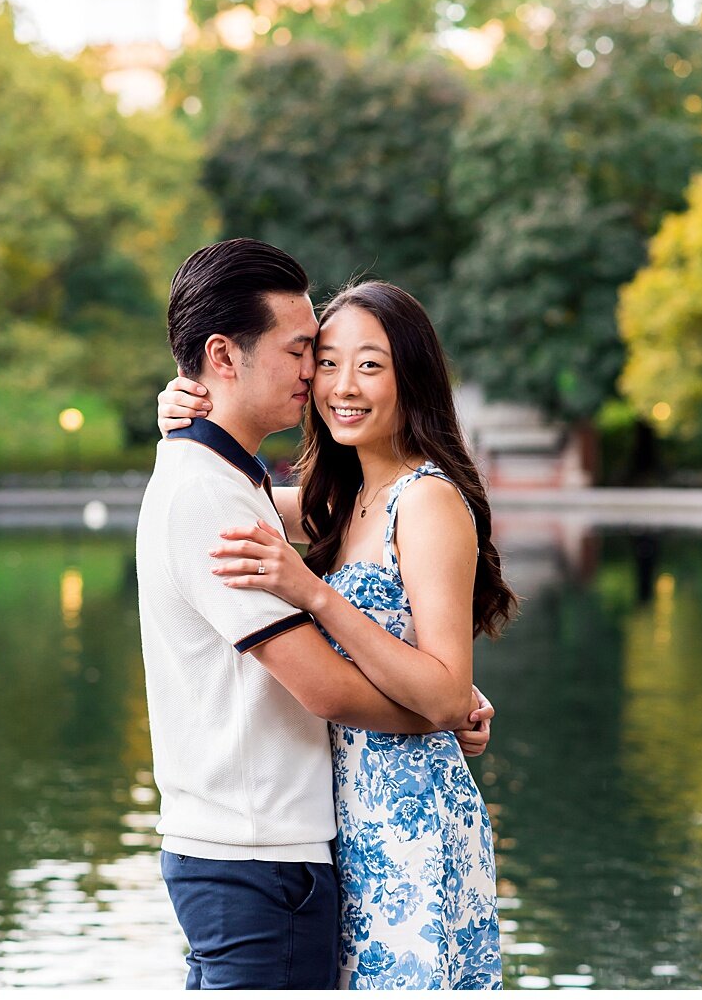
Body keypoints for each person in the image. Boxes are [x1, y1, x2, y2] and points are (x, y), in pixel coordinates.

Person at [139, 239, 496, 989]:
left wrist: (317, 594)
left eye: (367, 364)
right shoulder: (324, 500)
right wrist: (182, 413)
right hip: (326, 831)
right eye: (320, 358)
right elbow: (221, 499)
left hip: (402, 828)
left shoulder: (420, 498)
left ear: (412, 376)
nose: (327, 381)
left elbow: (432, 679)